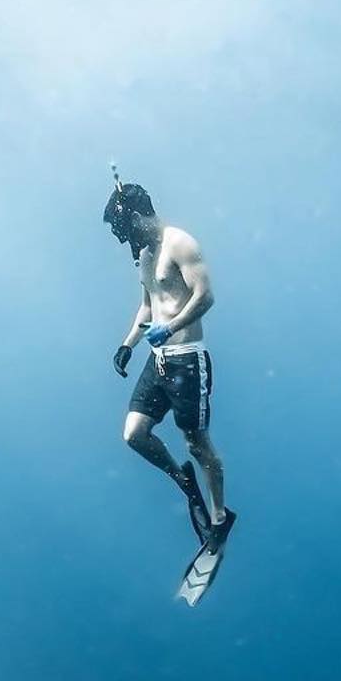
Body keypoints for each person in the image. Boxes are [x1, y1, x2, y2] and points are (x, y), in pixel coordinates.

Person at [104, 173, 235, 547]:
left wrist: (174, 325)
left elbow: (205, 296)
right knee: (134, 435)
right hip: (157, 361)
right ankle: (185, 482)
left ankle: (220, 518)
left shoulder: (180, 243)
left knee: (197, 443)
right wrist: (128, 344)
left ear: (137, 215)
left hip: (188, 362)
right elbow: (148, 306)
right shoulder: (145, 257)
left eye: (125, 230)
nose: (127, 241)